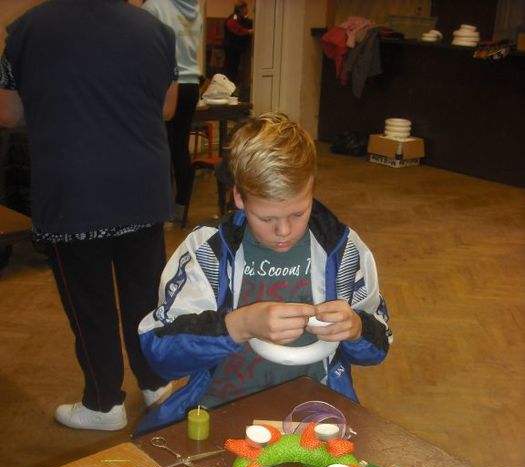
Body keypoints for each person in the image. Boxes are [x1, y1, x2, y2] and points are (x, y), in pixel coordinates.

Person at [136, 112, 392, 435]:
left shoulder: (342, 250)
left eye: (298, 213)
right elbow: (160, 355)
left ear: (312, 189)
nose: (284, 231)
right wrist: (239, 325)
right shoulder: (208, 251)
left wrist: (355, 328)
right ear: (239, 197)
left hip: (315, 414)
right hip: (221, 410)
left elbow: (379, 347)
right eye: (267, 218)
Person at [0, 0, 179, 431]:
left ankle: (103, 403)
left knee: (89, 302)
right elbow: (167, 108)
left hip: (74, 192)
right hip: (141, 188)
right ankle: (155, 383)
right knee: (145, 296)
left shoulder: (27, 29)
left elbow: (7, 112)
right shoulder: (155, 30)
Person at [142, 0, 203, 224]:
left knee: (162, 148)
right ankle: (181, 208)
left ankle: (163, 210)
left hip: (168, 84)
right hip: (191, 84)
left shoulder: (154, 7)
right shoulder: (195, 8)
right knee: (180, 148)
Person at [222, 2, 253, 87]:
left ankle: (231, 86)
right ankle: (227, 86)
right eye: (245, 8)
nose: (247, 10)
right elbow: (233, 26)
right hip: (231, 48)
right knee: (230, 68)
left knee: (234, 67)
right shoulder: (234, 17)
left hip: (235, 48)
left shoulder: (238, 17)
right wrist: (248, 31)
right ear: (240, 9)